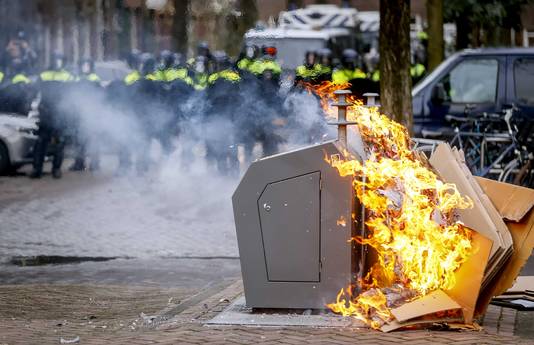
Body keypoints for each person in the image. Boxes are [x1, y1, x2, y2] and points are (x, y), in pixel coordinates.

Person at [30, 52, 75, 179]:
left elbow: (72, 95)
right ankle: (37, 169)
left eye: (60, 60)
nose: (58, 63)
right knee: (40, 142)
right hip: (45, 112)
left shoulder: (67, 76)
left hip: (60, 114)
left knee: (58, 143)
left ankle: (56, 169)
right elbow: (35, 91)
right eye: (56, 60)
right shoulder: (44, 75)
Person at [205, 51, 241, 175]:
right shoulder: (234, 76)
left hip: (221, 117)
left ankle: (223, 174)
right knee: (231, 146)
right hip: (230, 117)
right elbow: (239, 98)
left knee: (221, 147)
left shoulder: (213, 78)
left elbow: (208, 98)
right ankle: (234, 173)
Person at [70, 58, 103, 172]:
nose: (85, 67)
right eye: (83, 65)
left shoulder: (95, 79)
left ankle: (95, 164)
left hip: (92, 113)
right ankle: (79, 163)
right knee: (79, 140)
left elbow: (100, 96)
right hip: (79, 114)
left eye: (87, 65)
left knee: (93, 139)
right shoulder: (77, 79)